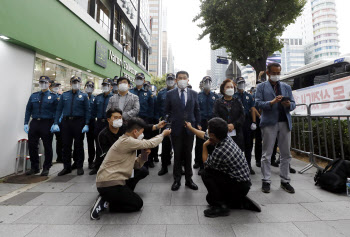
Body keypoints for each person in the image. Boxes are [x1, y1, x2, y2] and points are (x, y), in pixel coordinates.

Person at [90, 118, 171, 219]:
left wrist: (144, 155)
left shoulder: (128, 142)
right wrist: (163, 134)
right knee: (137, 204)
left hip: (113, 182)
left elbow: (136, 165)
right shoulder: (127, 141)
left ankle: (110, 199)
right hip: (110, 183)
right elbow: (150, 143)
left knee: (140, 172)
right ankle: (106, 202)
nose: (142, 135)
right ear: (135, 131)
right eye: (141, 133)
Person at [185, 118, 261, 218]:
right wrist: (191, 128)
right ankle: (240, 201)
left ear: (213, 135)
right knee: (210, 199)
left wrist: (204, 146)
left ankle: (221, 207)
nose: (207, 130)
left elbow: (206, 164)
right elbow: (203, 134)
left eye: (208, 129)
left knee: (206, 173)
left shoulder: (221, 150)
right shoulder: (225, 137)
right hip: (243, 182)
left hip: (239, 186)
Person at [255, 63, 296, 194]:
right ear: (268, 73)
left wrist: (288, 104)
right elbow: (257, 103)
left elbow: (294, 104)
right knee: (266, 154)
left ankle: (285, 181)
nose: (276, 75)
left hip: (285, 122)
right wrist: (271, 102)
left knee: (286, 154)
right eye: (274, 73)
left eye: (278, 73)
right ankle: (266, 181)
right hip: (269, 123)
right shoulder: (261, 87)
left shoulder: (286, 87)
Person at [92, 108, 167, 175]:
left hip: (128, 160)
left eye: (120, 117)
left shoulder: (124, 128)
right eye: (115, 118)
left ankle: (128, 185)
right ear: (108, 120)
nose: (118, 120)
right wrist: (163, 134)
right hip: (112, 165)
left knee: (143, 171)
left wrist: (157, 126)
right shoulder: (103, 135)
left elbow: (142, 127)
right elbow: (105, 155)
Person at [166, 71, 201, 191]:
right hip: (175, 129)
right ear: (176, 80)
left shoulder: (194, 93)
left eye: (184, 78)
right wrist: (168, 124)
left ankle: (189, 180)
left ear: (188, 80)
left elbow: (197, 110)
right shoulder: (170, 94)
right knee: (177, 155)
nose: (182, 80)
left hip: (189, 129)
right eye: (179, 78)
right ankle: (176, 180)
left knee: (188, 154)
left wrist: (198, 124)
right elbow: (167, 111)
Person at [52, 76, 90, 176]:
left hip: (79, 122)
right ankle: (66, 167)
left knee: (79, 145)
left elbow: (87, 110)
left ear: (80, 84)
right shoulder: (64, 95)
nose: (75, 84)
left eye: (77, 82)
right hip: (66, 123)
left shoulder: (84, 96)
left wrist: (86, 123)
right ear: (70, 83)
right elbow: (59, 110)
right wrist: (56, 122)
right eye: (73, 82)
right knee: (66, 146)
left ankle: (79, 166)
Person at [24, 76, 59, 176]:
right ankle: (34, 167)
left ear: (49, 84)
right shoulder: (34, 96)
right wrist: (26, 123)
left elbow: (57, 111)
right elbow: (28, 110)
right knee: (32, 145)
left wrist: (55, 123)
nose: (43, 84)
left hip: (47, 123)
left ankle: (46, 167)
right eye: (41, 82)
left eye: (45, 82)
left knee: (47, 146)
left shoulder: (54, 96)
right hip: (35, 122)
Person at [194, 76, 219, 175]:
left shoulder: (215, 96)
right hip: (202, 123)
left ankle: (212, 165)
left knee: (213, 143)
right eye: (206, 82)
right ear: (202, 83)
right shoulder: (198, 95)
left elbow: (217, 110)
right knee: (200, 144)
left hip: (213, 123)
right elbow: (196, 111)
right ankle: (201, 165)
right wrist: (197, 123)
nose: (207, 83)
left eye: (209, 81)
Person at [89, 78, 113, 175]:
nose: (105, 87)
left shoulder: (114, 98)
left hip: (109, 123)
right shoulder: (98, 97)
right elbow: (93, 112)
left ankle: (109, 166)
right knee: (98, 145)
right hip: (99, 123)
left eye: (107, 85)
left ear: (111, 87)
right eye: (104, 85)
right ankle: (97, 166)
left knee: (110, 145)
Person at [130, 74, 155, 167]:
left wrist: (149, 122)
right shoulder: (131, 91)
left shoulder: (148, 93)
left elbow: (151, 109)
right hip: (133, 120)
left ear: (144, 81)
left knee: (145, 142)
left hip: (145, 120)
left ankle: (144, 163)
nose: (139, 80)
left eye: (141, 79)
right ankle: (132, 163)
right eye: (137, 79)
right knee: (132, 141)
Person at [233, 77, 257, 175]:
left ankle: (248, 165)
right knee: (237, 144)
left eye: (243, 82)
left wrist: (254, 122)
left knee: (248, 144)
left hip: (247, 122)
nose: (241, 84)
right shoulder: (234, 96)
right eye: (239, 83)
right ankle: (237, 166)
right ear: (236, 84)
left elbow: (252, 109)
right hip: (237, 122)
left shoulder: (249, 96)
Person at [213, 79, 245, 151]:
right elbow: (215, 116)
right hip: (222, 133)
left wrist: (234, 125)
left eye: (232, 87)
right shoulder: (218, 102)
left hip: (236, 133)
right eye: (227, 87)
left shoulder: (238, 101)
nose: (230, 89)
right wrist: (225, 125)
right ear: (223, 89)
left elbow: (242, 116)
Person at [157, 73, 176, 176]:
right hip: (165, 122)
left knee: (178, 146)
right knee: (165, 145)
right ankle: (164, 167)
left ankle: (178, 167)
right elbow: (158, 107)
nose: (170, 81)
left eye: (172, 79)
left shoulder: (179, 91)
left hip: (177, 122)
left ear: (175, 80)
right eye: (168, 79)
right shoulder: (161, 93)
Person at [49, 80, 63, 163]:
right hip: (49, 120)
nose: (56, 88)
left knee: (60, 140)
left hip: (58, 122)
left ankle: (60, 157)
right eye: (55, 86)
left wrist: (60, 118)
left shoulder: (60, 96)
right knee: (48, 140)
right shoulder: (48, 96)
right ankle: (49, 159)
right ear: (50, 87)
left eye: (58, 86)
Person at [84, 81, 96, 169]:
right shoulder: (81, 97)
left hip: (92, 123)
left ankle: (92, 161)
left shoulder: (95, 98)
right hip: (81, 122)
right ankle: (78, 161)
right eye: (88, 86)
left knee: (92, 142)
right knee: (79, 143)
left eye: (91, 86)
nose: (89, 88)